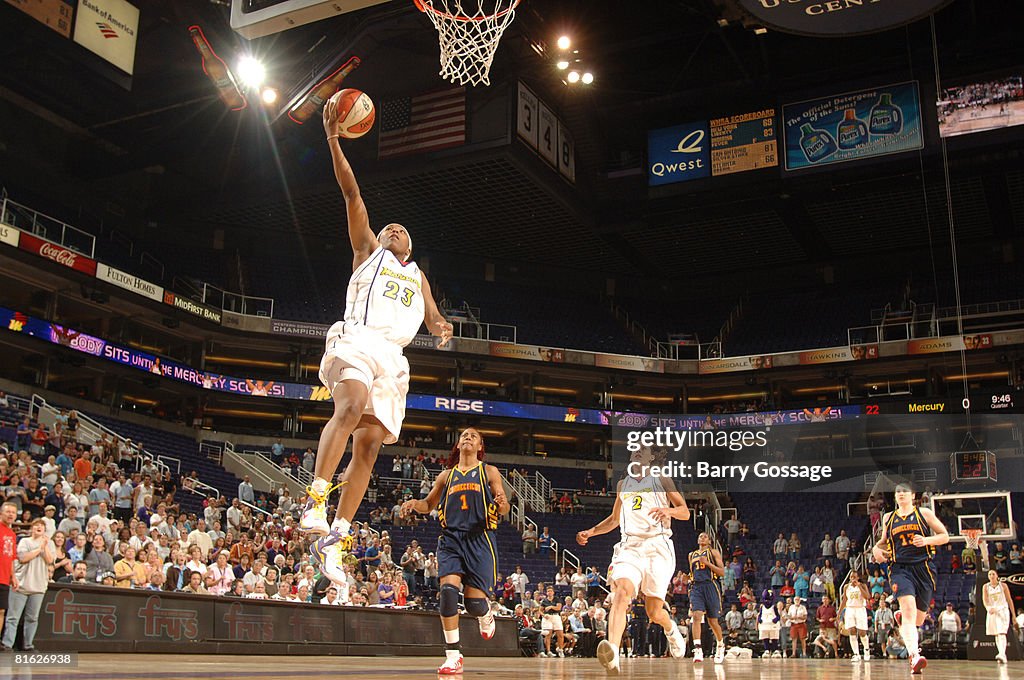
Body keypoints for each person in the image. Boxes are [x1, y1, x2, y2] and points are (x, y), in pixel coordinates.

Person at [300, 98, 455, 578]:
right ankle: (315, 499)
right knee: (348, 407)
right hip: (358, 339)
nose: (393, 228)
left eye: (401, 230)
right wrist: (332, 138)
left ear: (411, 246)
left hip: (395, 359)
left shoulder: (419, 276)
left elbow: (433, 318)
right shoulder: (368, 248)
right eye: (389, 226)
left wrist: (443, 327)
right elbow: (351, 195)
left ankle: (337, 535)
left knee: (367, 447)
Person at [400, 428, 509, 674]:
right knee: (448, 593)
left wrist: (502, 504)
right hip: (451, 539)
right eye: (464, 435)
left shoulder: (488, 471)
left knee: (473, 604)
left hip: (480, 539)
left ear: (480, 446)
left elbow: (502, 505)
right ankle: (453, 655)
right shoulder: (446, 476)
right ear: (458, 445)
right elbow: (428, 504)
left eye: (473, 436)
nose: (467, 437)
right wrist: (412, 505)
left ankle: (485, 613)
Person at [575, 445, 691, 673]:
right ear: (630, 457)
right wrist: (591, 531)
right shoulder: (622, 484)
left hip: (658, 546)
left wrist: (669, 511)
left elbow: (685, 511)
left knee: (654, 612)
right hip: (630, 546)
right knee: (621, 592)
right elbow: (614, 519)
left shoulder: (662, 479)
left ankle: (671, 629)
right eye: (635, 450)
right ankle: (613, 654)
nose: (638, 452)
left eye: (643, 450)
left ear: (651, 458)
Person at [871, 482, 949, 674]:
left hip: (923, 567)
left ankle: (903, 620)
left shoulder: (924, 513)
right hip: (900, 569)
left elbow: (944, 536)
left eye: (905, 491)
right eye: (898, 492)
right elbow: (881, 543)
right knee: (908, 610)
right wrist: (876, 550)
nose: (901, 494)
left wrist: (927, 540)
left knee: (918, 619)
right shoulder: (889, 518)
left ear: (913, 495)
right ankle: (914, 655)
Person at [2, 519, 53, 651]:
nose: (39, 527)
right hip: (21, 585)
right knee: (13, 617)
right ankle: (7, 644)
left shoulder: (48, 543)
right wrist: (39, 549)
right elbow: (23, 558)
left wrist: (45, 546)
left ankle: (28, 645)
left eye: (41, 526)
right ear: (31, 528)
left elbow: (49, 560)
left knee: (32, 618)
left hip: (39, 586)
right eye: (36, 525)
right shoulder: (25, 541)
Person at [983, 568, 1018, 664]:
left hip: (1002, 610)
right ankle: (1002, 654)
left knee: (1002, 633)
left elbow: (1009, 600)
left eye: (993, 574)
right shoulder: (985, 587)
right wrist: (988, 608)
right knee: (996, 634)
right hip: (992, 611)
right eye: (990, 574)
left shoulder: (1003, 586)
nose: (991, 576)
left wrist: (1013, 615)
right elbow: (985, 600)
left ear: (997, 576)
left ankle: (1002, 654)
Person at [840, 570, 872, 661]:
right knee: (852, 631)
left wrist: (859, 586)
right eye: (851, 577)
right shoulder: (846, 587)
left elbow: (867, 597)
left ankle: (866, 650)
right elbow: (844, 600)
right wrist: (839, 612)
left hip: (860, 608)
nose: (852, 579)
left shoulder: (862, 585)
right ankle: (856, 654)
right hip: (850, 609)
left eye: (854, 577)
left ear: (858, 577)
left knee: (862, 632)